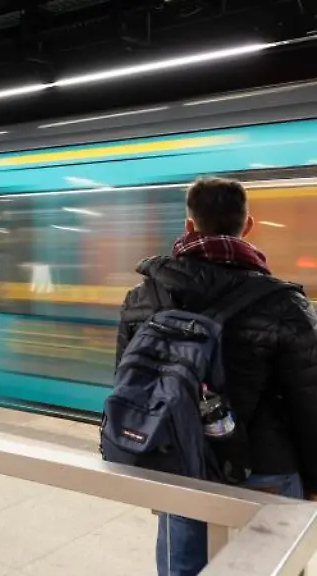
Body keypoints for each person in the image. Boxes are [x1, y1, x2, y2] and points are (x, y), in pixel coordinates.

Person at [116, 177, 317, 575]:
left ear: (189, 225)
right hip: (266, 471)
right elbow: (310, 404)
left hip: (182, 466)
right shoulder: (287, 305)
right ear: (248, 225)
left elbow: (128, 387)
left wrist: (150, 460)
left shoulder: (143, 297)